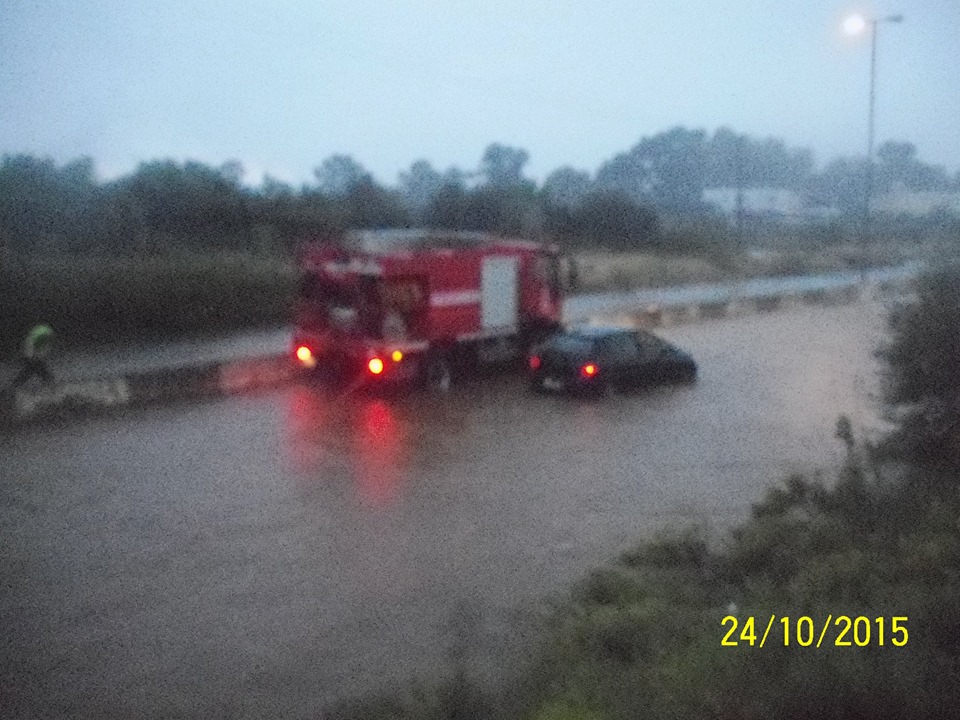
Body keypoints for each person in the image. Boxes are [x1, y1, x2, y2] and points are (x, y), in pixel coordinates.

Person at [12, 324, 55, 388]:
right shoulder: (47, 332)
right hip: (31, 354)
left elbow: (33, 341)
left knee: (31, 370)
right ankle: (50, 384)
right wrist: (31, 354)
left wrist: (34, 353)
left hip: (30, 352)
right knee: (35, 370)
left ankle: (14, 385)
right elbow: (33, 342)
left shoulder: (41, 329)